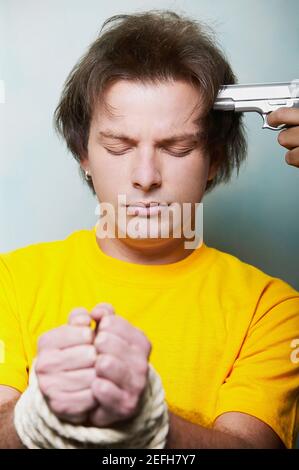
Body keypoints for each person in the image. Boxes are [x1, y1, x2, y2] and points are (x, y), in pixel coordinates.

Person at [0, 10, 298, 449]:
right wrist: (36, 416)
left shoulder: (271, 309)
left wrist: (151, 422)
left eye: (176, 148)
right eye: (119, 146)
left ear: (214, 158)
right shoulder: (10, 282)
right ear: (84, 153)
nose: (145, 176)